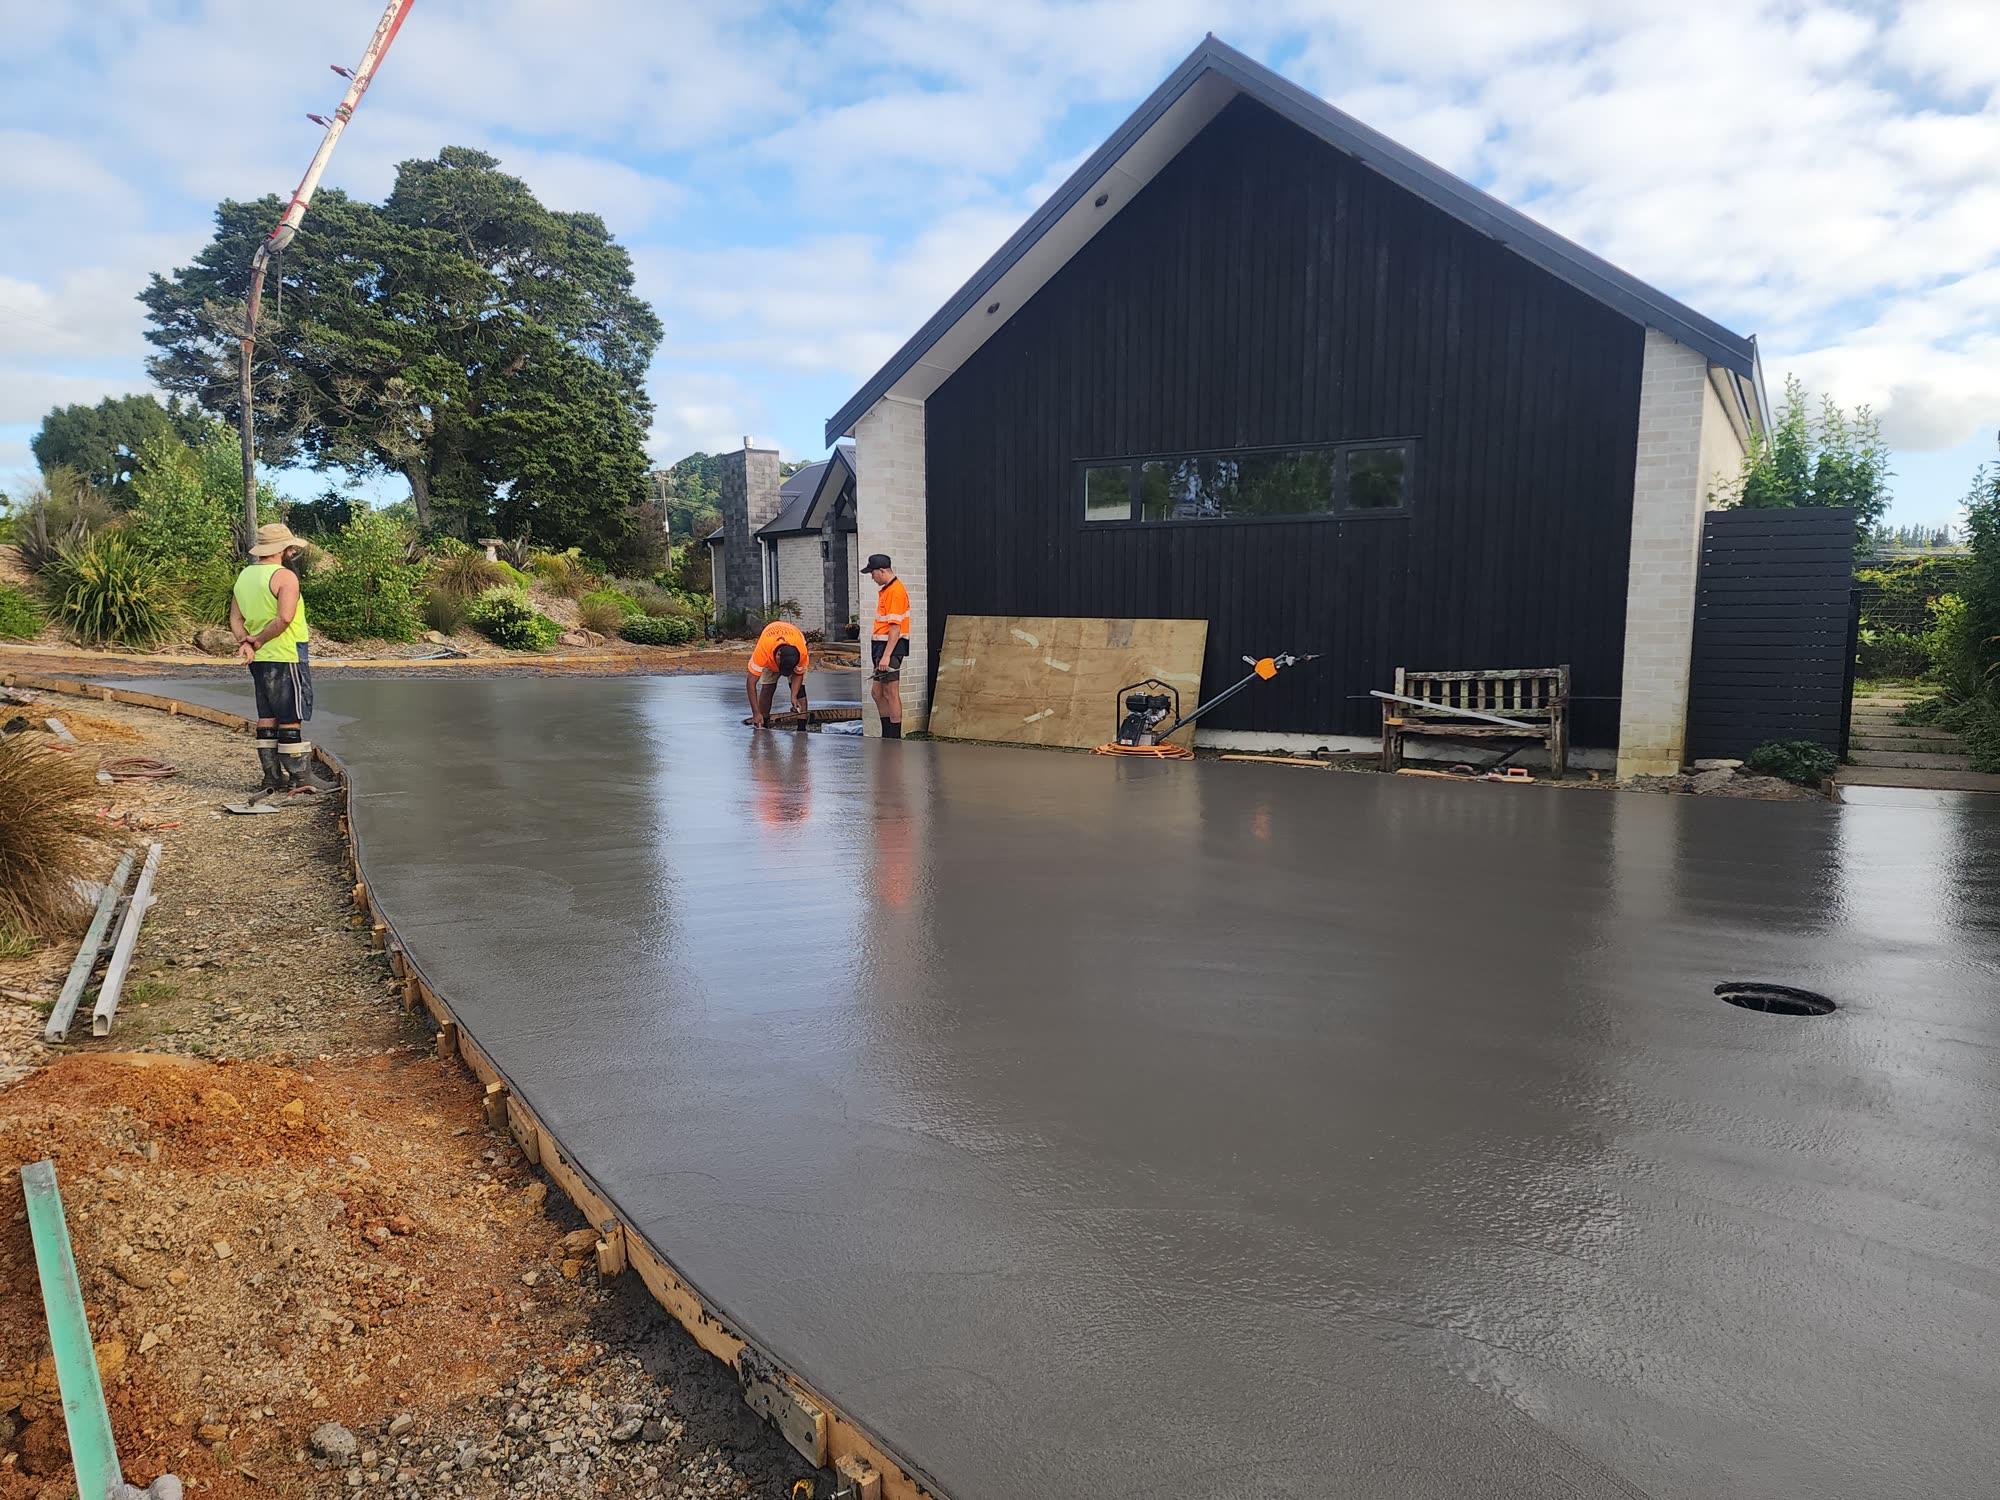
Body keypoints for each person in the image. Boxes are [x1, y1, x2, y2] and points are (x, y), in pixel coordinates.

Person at [229, 522, 324, 798]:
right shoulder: (285, 578)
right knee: (291, 715)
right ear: (282, 549)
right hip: (286, 654)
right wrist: (257, 640)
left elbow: (235, 618)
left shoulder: (244, 576)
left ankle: (271, 776)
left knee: (267, 715)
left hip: (260, 659)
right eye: (290, 547)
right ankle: (299, 777)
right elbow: (284, 617)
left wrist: (246, 642)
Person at [863, 553, 909, 738]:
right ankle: (886, 733)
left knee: (890, 692)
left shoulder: (895, 592)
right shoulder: (887, 590)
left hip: (891, 647)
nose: (872, 577)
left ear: (881, 571)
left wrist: (886, 655)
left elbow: (895, 629)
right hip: (880, 646)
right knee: (877, 692)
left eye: (872, 573)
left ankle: (894, 737)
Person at [745, 618, 810, 728]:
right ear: (778, 656)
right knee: (767, 689)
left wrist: (793, 696)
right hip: (769, 655)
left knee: (800, 693)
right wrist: (755, 713)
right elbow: (750, 683)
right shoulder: (763, 650)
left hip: (792, 644)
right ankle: (762, 723)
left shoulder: (802, 652)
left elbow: (798, 674)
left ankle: (802, 729)